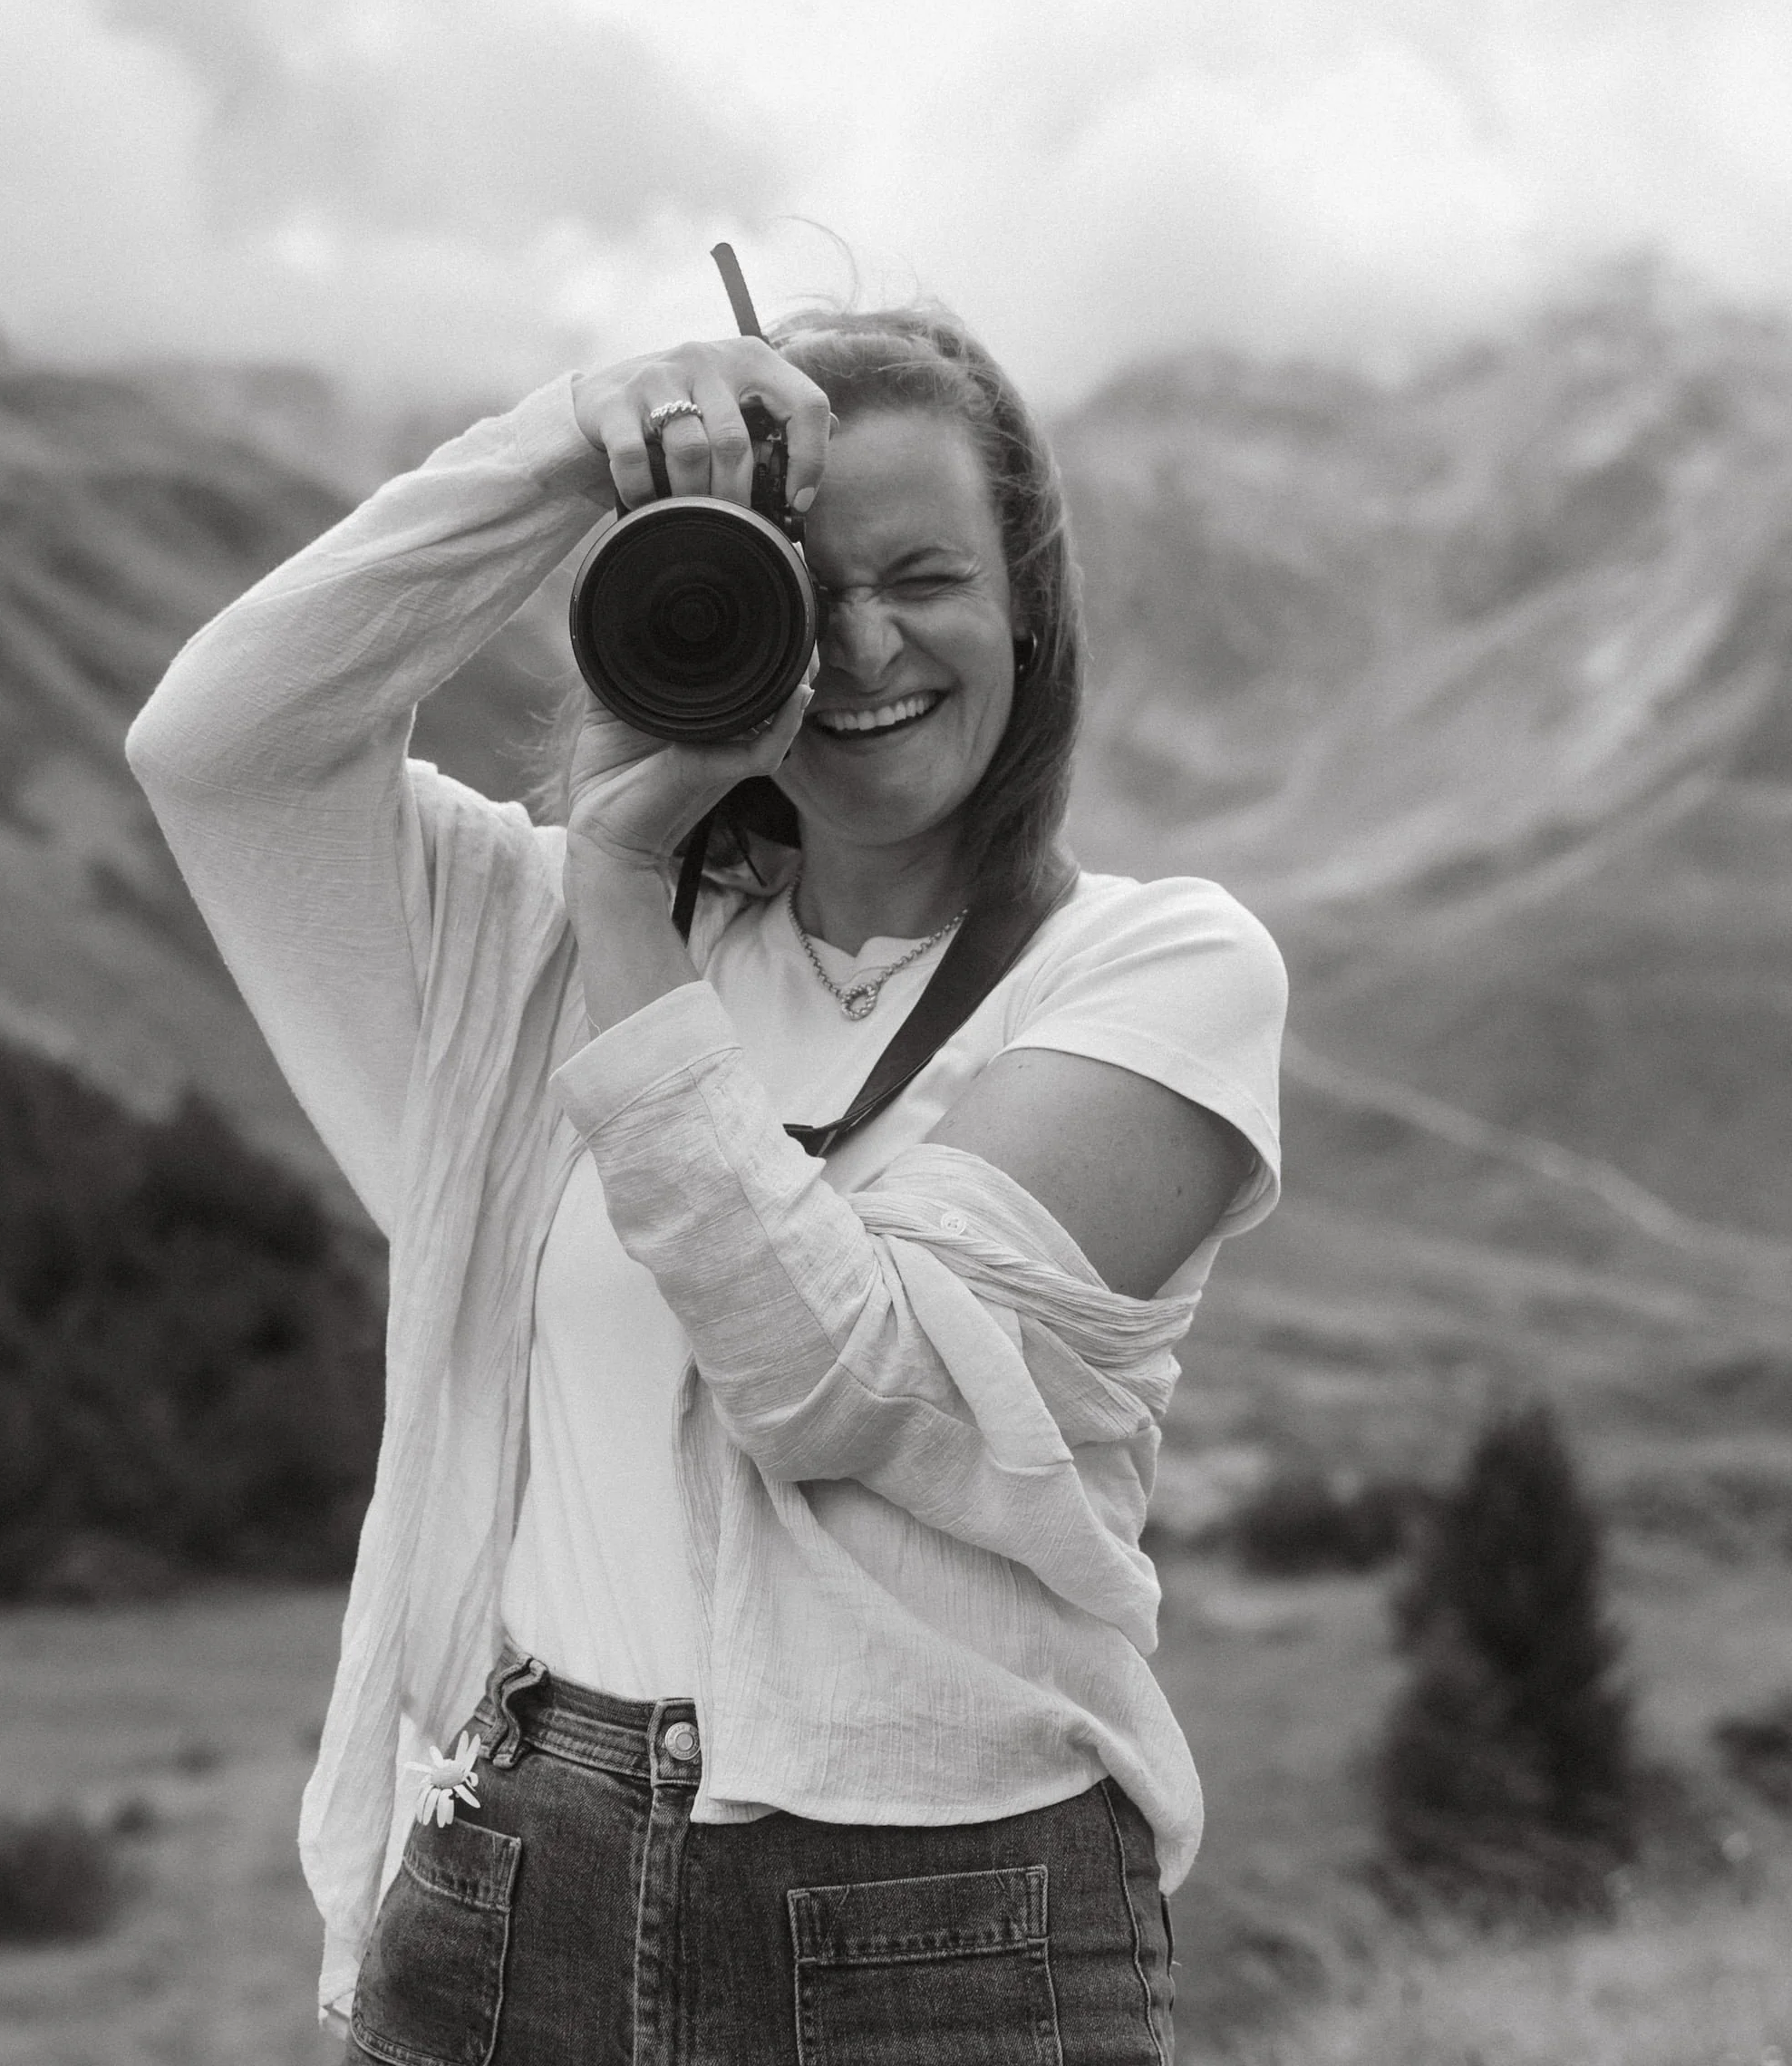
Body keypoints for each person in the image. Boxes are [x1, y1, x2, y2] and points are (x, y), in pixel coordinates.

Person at [127, 301, 1285, 2065]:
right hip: (518, 1878)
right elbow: (218, 747)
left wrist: (622, 897)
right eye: (800, 594)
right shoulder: (512, 958)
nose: (867, 645)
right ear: (716, 612)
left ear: (1030, 612)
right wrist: (561, 451)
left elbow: (837, 1379)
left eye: (928, 577)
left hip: (946, 1917)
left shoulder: (1157, 973)